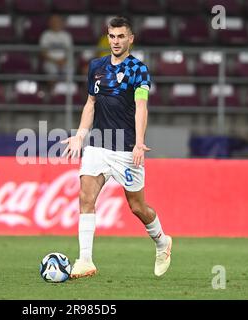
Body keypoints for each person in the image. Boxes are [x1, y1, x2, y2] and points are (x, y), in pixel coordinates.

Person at [61, 16, 172, 278]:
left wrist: (139, 142)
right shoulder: (96, 67)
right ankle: (85, 260)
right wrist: (79, 135)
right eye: (112, 36)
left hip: (125, 149)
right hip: (98, 146)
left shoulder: (138, 70)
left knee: (137, 207)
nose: (116, 41)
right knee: (85, 198)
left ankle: (162, 242)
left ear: (130, 39)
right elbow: (90, 103)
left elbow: (141, 107)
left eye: (121, 36)